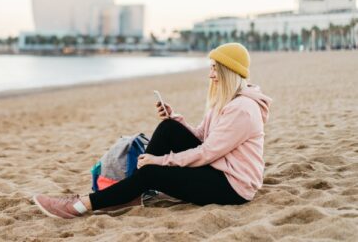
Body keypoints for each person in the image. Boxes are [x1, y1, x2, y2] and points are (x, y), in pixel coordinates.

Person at [33, 42, 272, 219]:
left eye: (214, 69)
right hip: (218, 167)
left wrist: (160, 160)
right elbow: (201, 137)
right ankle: (131, 191)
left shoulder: (242, 109)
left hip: (233, 186)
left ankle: (81, 205)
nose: (210, 75)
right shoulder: (226, 101)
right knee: (169, 127)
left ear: (228, 71)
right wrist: (175, 118)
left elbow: (207, 152)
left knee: (151, 172)